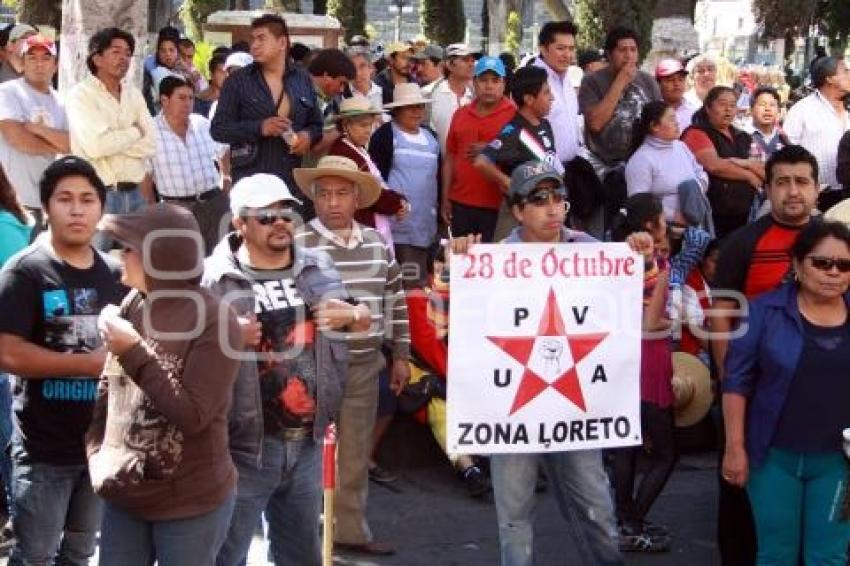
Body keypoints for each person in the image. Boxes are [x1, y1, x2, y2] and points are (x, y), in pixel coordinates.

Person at [452, 160, 630, 566]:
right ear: (517, 210)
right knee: (514, 524)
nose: (553, 208)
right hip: (514, 414)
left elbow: (639, 298)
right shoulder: (491, 260)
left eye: (559, 197)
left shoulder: (590, 250)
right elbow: (449, 322)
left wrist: (641, 253)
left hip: (575, 409)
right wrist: (454, 269)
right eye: (539, 199)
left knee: (598, 513)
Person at [206, 174, 368, 565]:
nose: (280, 223)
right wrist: (223, 335)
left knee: (301, 556)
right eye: (266, 217)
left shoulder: (317, 264)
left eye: (285, 213)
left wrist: (356, 313)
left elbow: (357, 312)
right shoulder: (214, 278)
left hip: (309, 441)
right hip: (243, 447)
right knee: (226, 556)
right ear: (240, 224)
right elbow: (185, 353)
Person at [86, 204, 240, 565]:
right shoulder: (135, 302)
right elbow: (111, 394)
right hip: (126, 493)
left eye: (129, 248)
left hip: (190, 501)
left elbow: (195, 416)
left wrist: (133, 350)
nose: (120, 255)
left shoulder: (215, 317)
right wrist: (97, 454)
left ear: (161, 255)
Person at [0, 156, 126, 565]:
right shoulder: (24, 272)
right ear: (47, 207)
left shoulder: (115, 274)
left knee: (79, 553)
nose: (77, 209)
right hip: (42, 450)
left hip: (98, 448)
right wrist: (84, 364)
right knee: (34, 555)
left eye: (88, 199)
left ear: (101, 209)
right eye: (65, 199)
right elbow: (8, 352)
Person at [294, 155, 411, 556]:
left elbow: (395, 299)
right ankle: (307, 537)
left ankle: (348, 533)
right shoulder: (299, 243)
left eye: (341, 193)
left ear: (357, 198)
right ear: (313, 198)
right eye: (323, 194)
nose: (332, 202)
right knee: (304, 457)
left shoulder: (377, 244)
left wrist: (401, 354)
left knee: (356, 454)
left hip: (364, 365)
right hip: (313, 367)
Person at [710, 144, 820, 566]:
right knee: (740, 487)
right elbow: (721, 313)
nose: (793, 192)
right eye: (783, 182)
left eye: (802, 182)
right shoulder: (743, 243)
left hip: (820, 391)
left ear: (817, 187)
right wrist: (728, 378)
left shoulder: (834, 243)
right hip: (753, 392)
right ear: (767, 189)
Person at [722, 220, 850, 565]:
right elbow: (736, 382)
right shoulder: (764, 311)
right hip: (772, 459)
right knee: (776, 555)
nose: (833, 272)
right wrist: (734, 448)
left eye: (844, 265)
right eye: (822, 263)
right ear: (797, 264)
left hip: (840, 464)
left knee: (830, 557)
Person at [610, 194, 676, 552]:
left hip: (622, 359)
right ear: (651, 225)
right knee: (666, 453)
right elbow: (651, 322)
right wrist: (677, 321)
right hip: (650, 360)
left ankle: (623, 519)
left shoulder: (616, 258)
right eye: (662, 219)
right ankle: (633, 520)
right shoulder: (657, 263)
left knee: (626, 447)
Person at [211, 13, 322, 214]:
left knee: (289, 240)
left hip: (291, 183)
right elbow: (218, 129)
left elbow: (316, 125)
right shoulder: (237, 82)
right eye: (253, 39)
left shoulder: (303, 79)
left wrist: (307, 136)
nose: (254, 45)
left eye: (261, 38)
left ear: (282, 42)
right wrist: (259, 127)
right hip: (251, 182)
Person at [66, 27, 156, 250]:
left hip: (135, 194)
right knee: (91, 266)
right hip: (98, 196)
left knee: (136, 268)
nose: (124, 58)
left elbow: (152, 143)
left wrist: (115, 141)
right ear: (97, 58)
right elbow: (96, 146)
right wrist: (135, 132)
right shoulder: (81, 94)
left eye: (127, 53)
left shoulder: (133, 93)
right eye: (116, 52)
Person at [146, 75, 231, 255]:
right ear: (164, 100)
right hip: (176, 208)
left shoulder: (201, 124)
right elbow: (144, 175)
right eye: (182, 98)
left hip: (213, 203)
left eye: (191, 98)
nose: (188, 103)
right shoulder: (150, 132)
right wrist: (153, 209)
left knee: (220, 258)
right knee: (184, 263)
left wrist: (226, 177)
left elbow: (223, 149)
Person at [474, 66, 558, 240]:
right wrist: (509, 183)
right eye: (546, 93)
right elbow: (481, 162)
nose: (552, 98)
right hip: (518, 212)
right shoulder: (513, 130)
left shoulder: (545, 125)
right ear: (528, 99)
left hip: (547, 208)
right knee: (505, 260)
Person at [369, 83, 440, 288]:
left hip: (426, 221)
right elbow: (376, 178)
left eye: (420, 107)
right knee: (406, 284)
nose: (417, 112)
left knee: (426, 282)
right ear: (397, 111)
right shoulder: (385, 136)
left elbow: (437, 175)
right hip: (397, 224)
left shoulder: (431, 137)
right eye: (410, 107)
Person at [442, 56, 515, 242]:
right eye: (483, 80)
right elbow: (450, 157)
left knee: (495, 264)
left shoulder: (514, 115)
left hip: (498, 205)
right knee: (463, 263)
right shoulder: (460, 114)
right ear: (473, 83)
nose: (489, 86)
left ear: (504, 84)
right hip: (461, 203)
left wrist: (493, 149)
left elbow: (522, 154)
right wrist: (445, 197)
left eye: (495, 80)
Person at [0, 34, 68, 231]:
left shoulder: (61, 103)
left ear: (55, 65)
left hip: (44, 202)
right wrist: (55, 142)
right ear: (22, 63)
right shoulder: (7, 92)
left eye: (46, 58)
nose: (39, 64)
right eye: (32, 57)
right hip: (9, 201)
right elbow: (17, 139)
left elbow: (73, 143)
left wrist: (38, 129)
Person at [681, 86, 763, 238]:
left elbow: (762, 168)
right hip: (714, 215)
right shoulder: (696, 132)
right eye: (722, 104)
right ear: (708, 108)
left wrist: (747, 163)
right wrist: (748, 175)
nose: (728, 109)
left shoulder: (743, 136)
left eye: (732, 105)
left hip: (746, 214)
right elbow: (714, 165)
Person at [579, 26, 662, 173]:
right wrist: (620, 82)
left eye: (633, 50)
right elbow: (596, 124)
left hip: (644, 162)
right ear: (609, 54)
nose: (629, 55)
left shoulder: (648, 81)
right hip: (605, 166)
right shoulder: (592, 81)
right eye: (622, 50)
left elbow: (660, 123)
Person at [325, 95, 408, 234]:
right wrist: (399, 203)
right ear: (346, 125)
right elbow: (369, 192)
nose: (368, 130)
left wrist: (399, 201)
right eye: (362, 125)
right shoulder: (343, 153)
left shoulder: (357, 148)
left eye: (370, 125)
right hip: (356, 226)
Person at [783, 56, 850, 211]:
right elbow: (786, 152)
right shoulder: (802, 111)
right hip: (816, 197)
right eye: (846, 71)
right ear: (830, 79)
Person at [625, 101, 708, 225]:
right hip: (665, 227)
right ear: (654, 126)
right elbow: (639, 204)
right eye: (671, 119)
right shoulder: (641, 160)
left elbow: (701, 173)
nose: (677, 123)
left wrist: (694, 193)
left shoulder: (681, 147)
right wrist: (674, 216)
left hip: (697, 219)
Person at [428, 44, 474, 151]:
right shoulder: (429, 94)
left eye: (472, 60)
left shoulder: (476, 97)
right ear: (449, 64)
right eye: (466, 60)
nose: (471, 64)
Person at [655, 58, 697, 133]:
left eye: (680, 79)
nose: (677, 84)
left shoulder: (695, 112)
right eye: (670, 80)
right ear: (658, 84)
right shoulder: (652, 113)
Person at [748, 86, 788, 161]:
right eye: (762, 104)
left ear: (778, 110)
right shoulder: (742, 137)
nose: (767, 109)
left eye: (772, 105)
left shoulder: (785, 139)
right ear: (751, 110)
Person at [346, 47, 384, 115]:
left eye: (362, 66)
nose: (358, 73)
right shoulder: (342, 95)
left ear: (371, 68)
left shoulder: (383, 92)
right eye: (352, 67)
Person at [194, 53, 227, 118]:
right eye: (221, 72)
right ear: (211, 74)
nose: (226, 75)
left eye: (228, 72)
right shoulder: (196, 101)